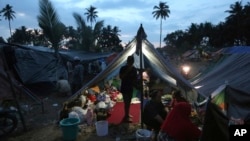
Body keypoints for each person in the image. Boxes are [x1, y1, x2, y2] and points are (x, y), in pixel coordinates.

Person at [119, 55, 138, 122]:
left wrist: (137, 85)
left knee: (129, 102)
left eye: (131, 61)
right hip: (124, 87)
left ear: (133, 62)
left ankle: (127, 114)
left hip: (130, 87)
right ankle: (126, 117)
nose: (130, 63)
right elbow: (121, 77)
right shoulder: (123, 68)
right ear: (127, 61)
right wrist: (127, 71)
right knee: (126, 102)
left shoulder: (134, 69)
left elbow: (135, 79)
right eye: (129, 61)